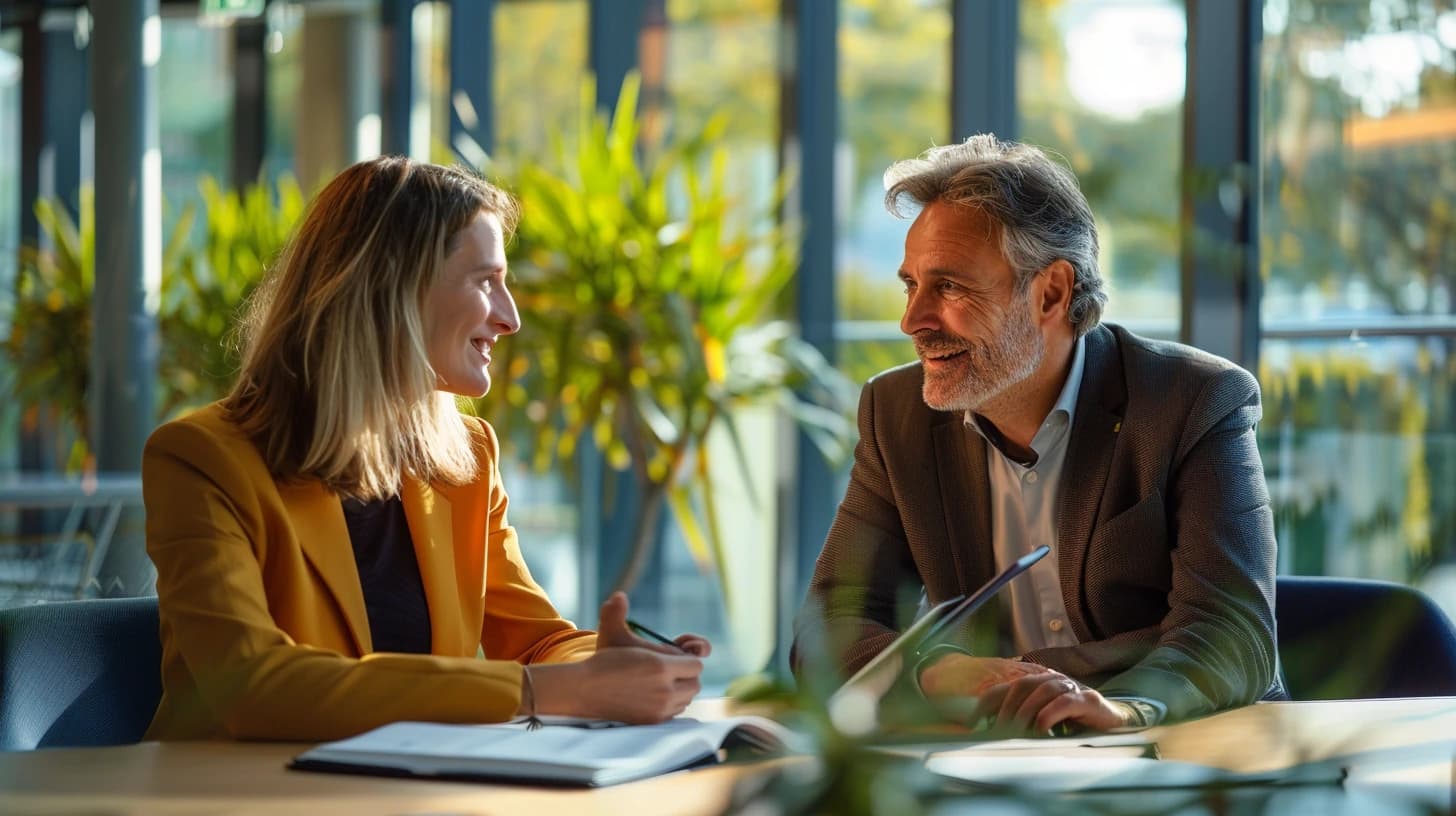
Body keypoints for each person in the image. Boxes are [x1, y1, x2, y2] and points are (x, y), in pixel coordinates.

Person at [142, 157, 708, 741]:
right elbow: (252, 683)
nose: (510, 317)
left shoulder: (467, 458)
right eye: (486, 281)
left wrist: (603, 663)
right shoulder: (201, 461)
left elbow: (537, 641)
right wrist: (546, 692)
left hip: (415, 792)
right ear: (394, 290)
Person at [793, 134, 1282, 734]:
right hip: (989, 761)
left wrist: (1120, 708)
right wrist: (938, 672)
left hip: (1178, 749)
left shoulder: (1195, 401)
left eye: (948, 287)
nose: (912, 320)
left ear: (1051, 292)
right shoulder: (895, 414)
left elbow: (1231, 634)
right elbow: (830, 625)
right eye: (910, 286)